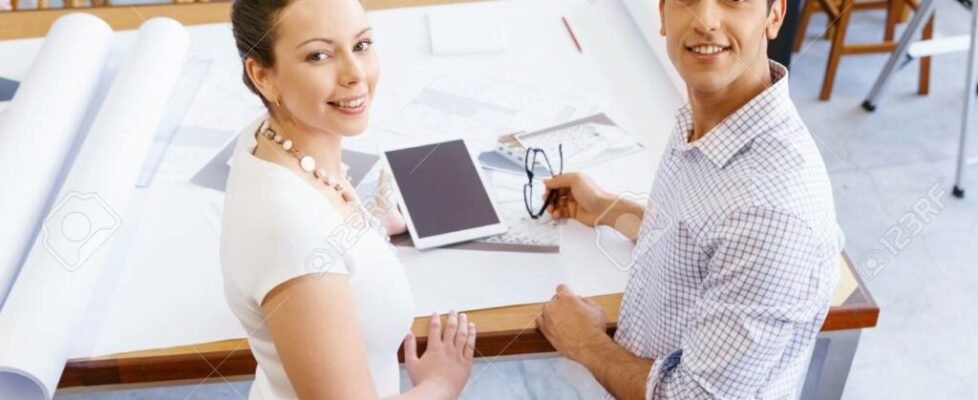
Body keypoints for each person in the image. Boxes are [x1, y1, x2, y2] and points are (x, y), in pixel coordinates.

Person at [536, 0, 844, 398]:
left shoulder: (772, 215)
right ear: (663, 14)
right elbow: (700, 241)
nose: (706, 21)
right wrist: (608, 209)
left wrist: (586, 344)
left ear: (774, 16)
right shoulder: (711, 118)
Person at [221, 0, 475, 398]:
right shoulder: (291, 230)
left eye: (361, 45)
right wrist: (442, 383)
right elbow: (295, 241)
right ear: (263, 77)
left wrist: (366, 226)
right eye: (319, 55)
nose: (356, 75)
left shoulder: (273, 137)